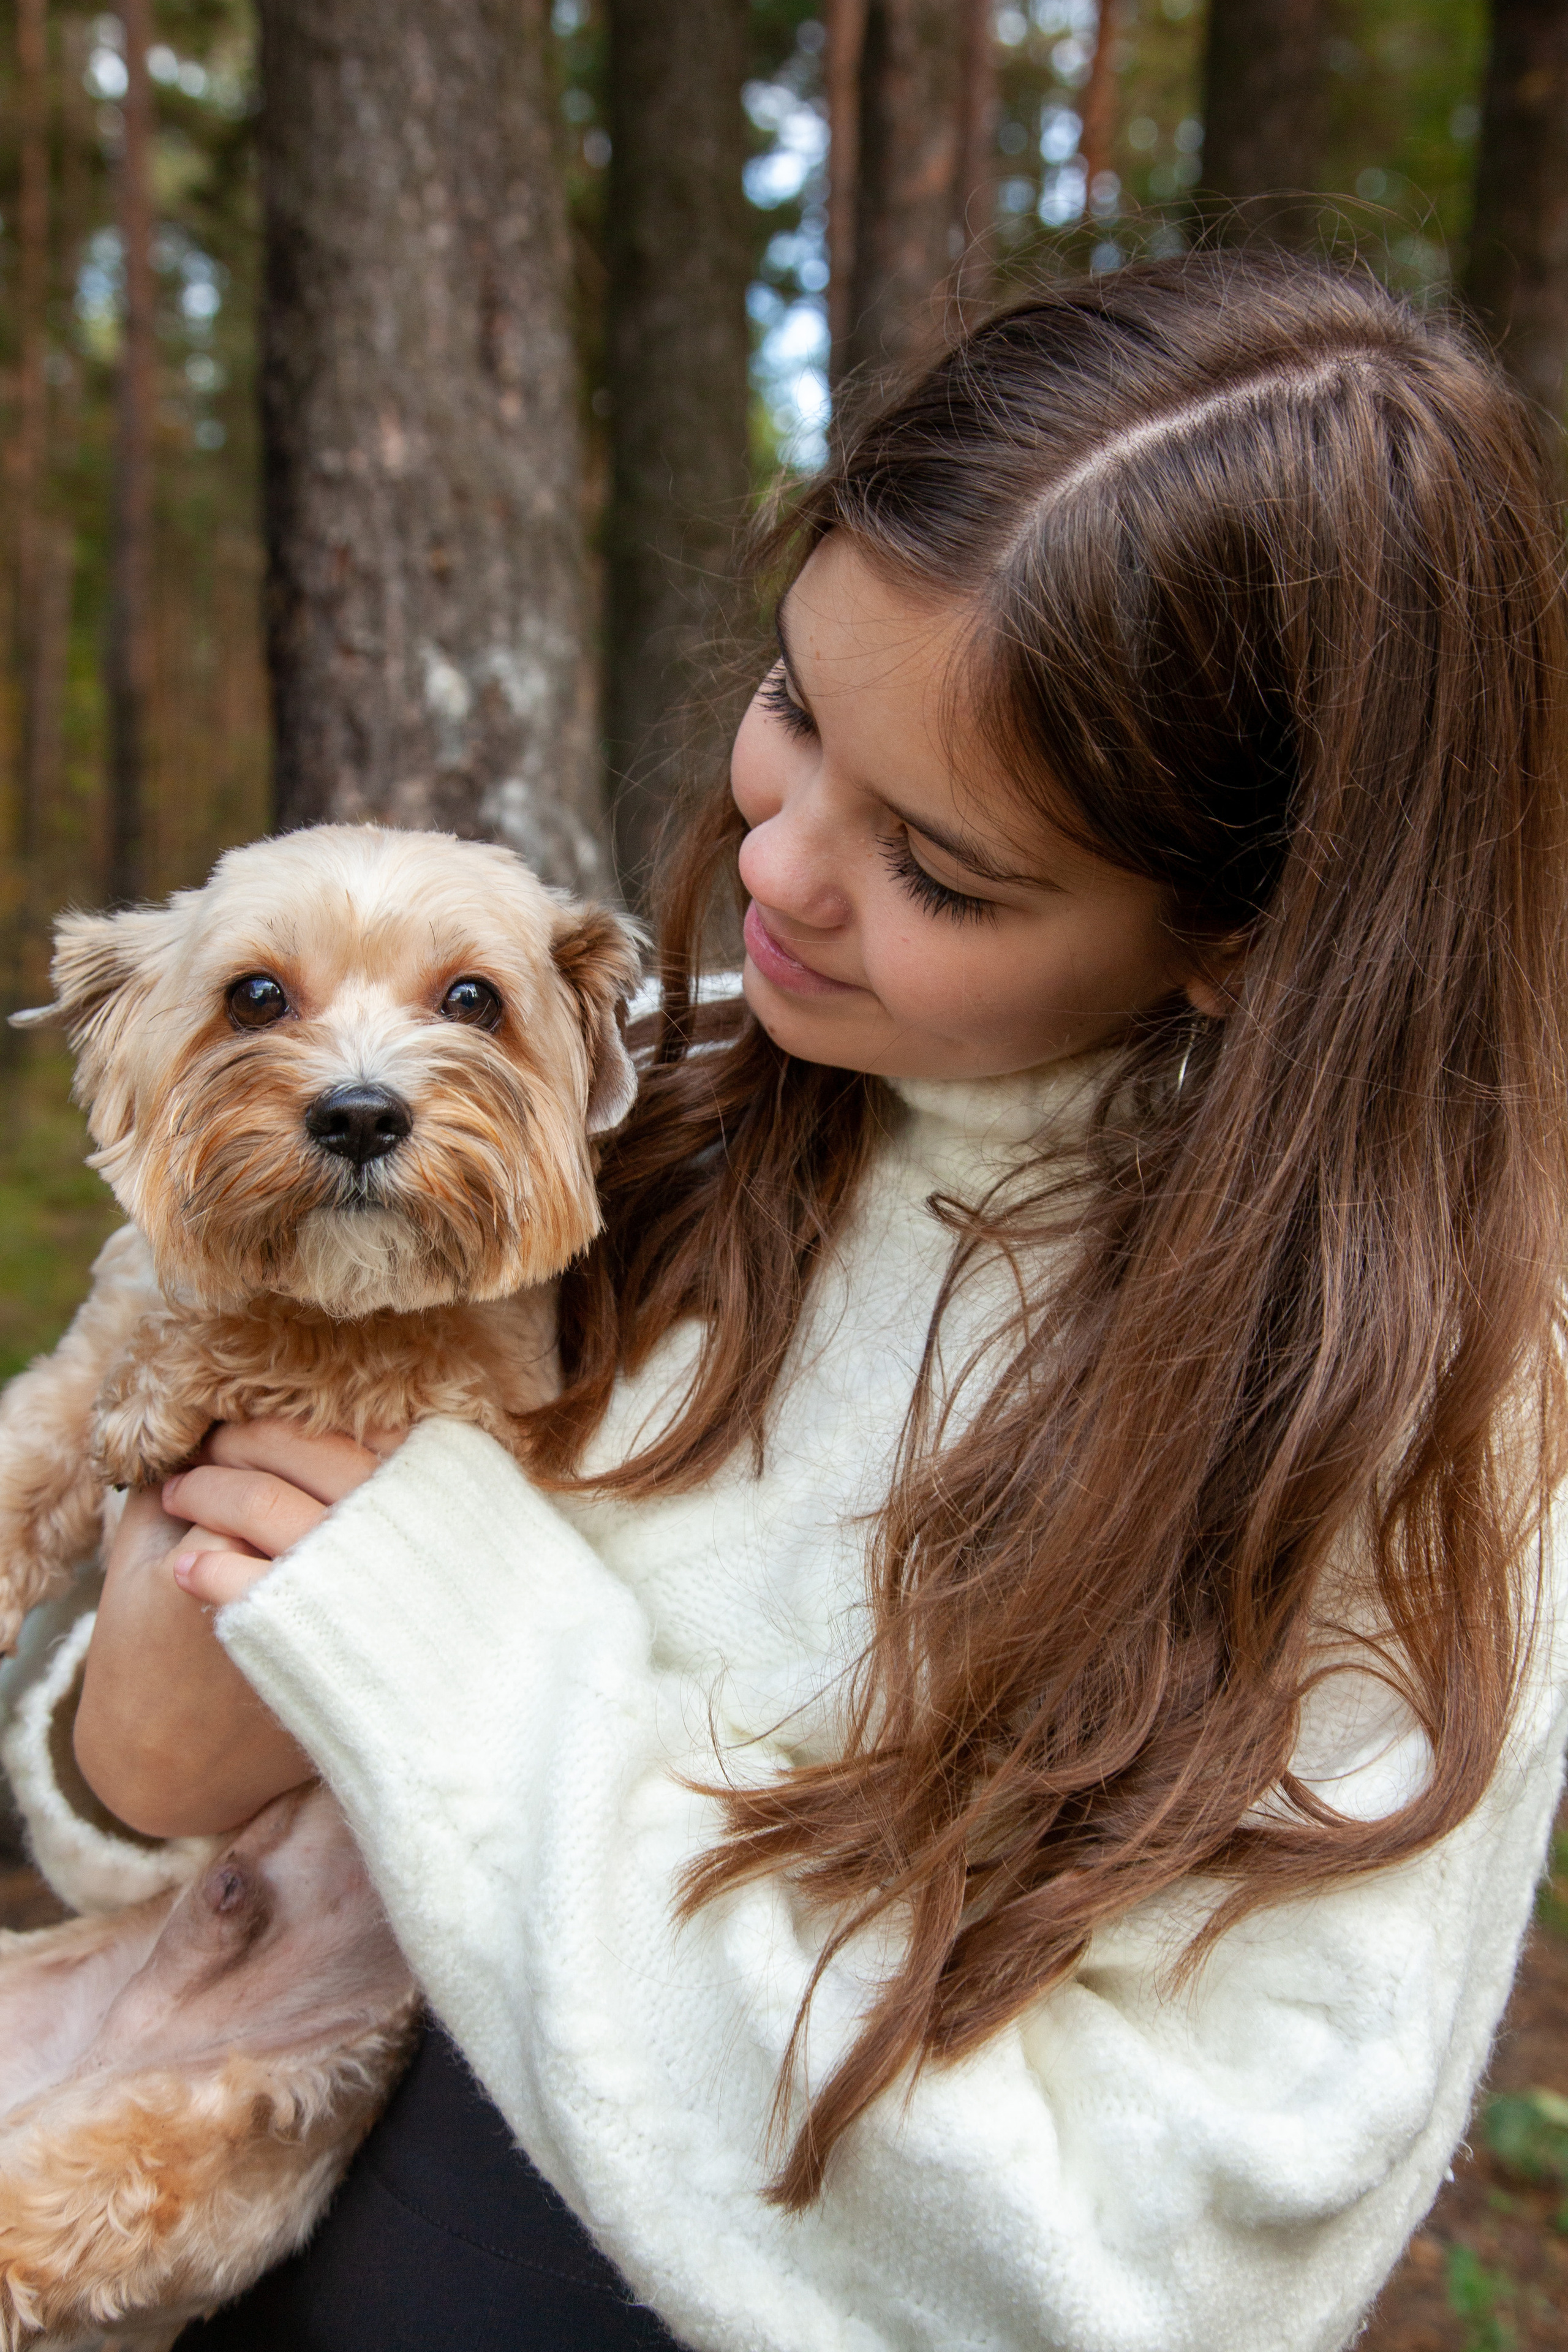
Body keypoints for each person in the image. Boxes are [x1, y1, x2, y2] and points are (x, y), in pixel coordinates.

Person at [14, 251, 1568, 2351]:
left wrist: (460, 1657)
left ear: (1247, 935)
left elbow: (1151, 2279)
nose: (779, 869)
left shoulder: (1404, 1425)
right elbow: (155, 1779)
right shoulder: (663, 1104)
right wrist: (122, 1756)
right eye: (794, 708)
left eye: (938, 867)